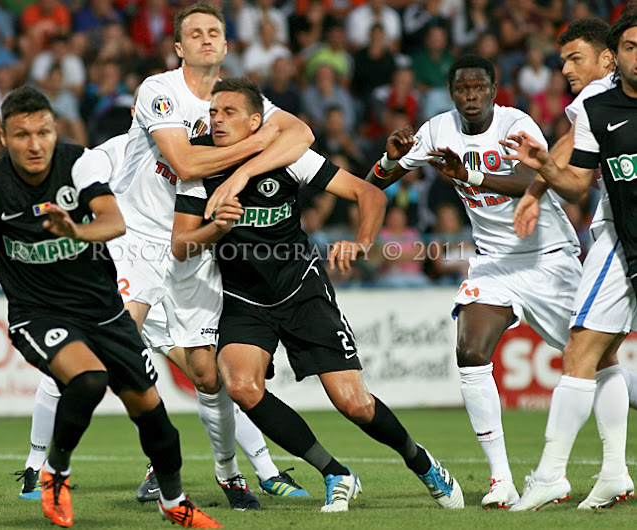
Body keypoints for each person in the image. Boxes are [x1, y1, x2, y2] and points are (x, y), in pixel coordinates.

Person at [0, 85, 222, 529]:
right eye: (21, 135)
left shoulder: (80, 163)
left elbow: (113, 221)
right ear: (2, 138)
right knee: (89, 379)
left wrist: (75, 231)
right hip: (39, 313)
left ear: (55, 131)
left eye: (43, 132)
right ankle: (55, 472)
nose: (34, 145)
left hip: (105, 311)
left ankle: (174, 502)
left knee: (157, 421)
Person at [173, 77, 464, 512]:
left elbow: (367, 195)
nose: (217, 119)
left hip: (301, 288)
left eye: (229, 112)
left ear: (257, 122)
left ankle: (420, 461)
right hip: (244, 296)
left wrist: (361, 244)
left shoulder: (290, 158)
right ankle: (335, 473)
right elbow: (181, 245)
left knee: (354, 403)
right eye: (213, 112)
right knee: (240, 385)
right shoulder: (199, 169)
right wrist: (217, 227)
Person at [113, 1, 315, 508]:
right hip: (138, 244)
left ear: (226, 45)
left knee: (208, 374)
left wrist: (247, 167)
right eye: (195, 34)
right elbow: (182, 162)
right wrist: (257, 143)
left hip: (197, 251)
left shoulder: (241, 100)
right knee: (106, 350)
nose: (206, 40)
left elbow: (303, 134)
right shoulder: (159, 90)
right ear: (179, 48)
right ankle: (47, 468)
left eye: (214, 33)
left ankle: (230, 475)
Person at [365, 55, 583, 509]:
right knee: (470, 352)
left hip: (548, 257)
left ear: (493, 89)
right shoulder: (437, 130)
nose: (470, 96)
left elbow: (534, 178)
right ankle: (500, 481)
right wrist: (388, 160)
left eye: (479, 88)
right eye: (462, 88)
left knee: (596, 366)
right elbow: (374, 184)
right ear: (450, 92)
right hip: (494, 264)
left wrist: (471, 174)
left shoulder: (514, 123)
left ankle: (613, 471)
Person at [502, 14, 637, 511]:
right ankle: (611, 472)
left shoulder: (601, 94)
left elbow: (566, 148)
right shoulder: (602, 101)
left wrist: (537, 186)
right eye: (562, 61)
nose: (566, 69)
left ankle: (555, 475)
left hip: (619, 236)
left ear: (605, 59)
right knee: (597, 355)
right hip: (618, 232)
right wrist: (541, 180)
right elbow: (573, 152)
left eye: (574, 57)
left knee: (585, 352)